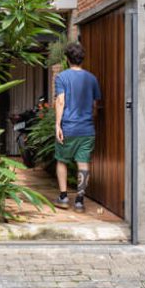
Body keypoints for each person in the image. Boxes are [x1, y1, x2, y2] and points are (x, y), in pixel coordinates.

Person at [53, 41, 101, 212]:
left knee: (62, 161)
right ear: (82, 59)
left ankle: (64, 197)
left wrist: (58, 125)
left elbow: (60, 100)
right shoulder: (92, 78)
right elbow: (95, 105)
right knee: (83, 163)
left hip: (68, 128)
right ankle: (80, 200)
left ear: (67, 59)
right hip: (86, 129)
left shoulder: (62, 77)